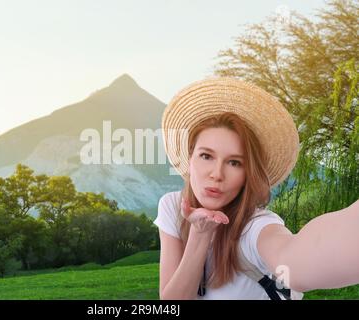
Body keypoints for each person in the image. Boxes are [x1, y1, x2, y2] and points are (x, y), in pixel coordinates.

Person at [154, 77, 359, 300]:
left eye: (234, 162)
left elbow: (295, 262)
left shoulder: (255, 226)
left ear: (247, 174)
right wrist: (200, 234)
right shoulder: (173, 206)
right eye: (206, 156)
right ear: (190, 157)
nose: (217, 174)